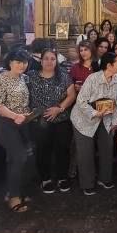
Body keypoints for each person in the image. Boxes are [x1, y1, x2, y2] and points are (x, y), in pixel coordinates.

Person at [71, 52, 117, 195]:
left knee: (107, 147)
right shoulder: (92, 79)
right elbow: (80, 101)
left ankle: (105, 178)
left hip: (105, 119)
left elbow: (116, 101)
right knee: (85, 152)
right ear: (109, 65)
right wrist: (94, 113)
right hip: (84, 119)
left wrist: (115, 121)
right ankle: (87, 183)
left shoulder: (116, 80)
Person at [28, 48, 76, 194]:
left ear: (57, 61)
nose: (49, 61)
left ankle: (62, 177)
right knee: (43, 149)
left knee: (62, 149)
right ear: (41, 61)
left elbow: (71, 95)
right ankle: (45, 178)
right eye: (46, 58)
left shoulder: (64, 76)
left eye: (52, 59)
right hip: (40, 119)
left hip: (61, 118)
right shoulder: (32, 76)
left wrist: (59, 108)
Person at [0, 48, 32, 213]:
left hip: (22, 122)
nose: (22, 65)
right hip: (5, 123)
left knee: (22, 158)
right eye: (18, 62)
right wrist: (14, 116)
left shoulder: (23, 78)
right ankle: (13, 196)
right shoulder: (1, 79)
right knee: (18, 157)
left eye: (25, 62)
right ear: (10, 63)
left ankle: (15, 191)